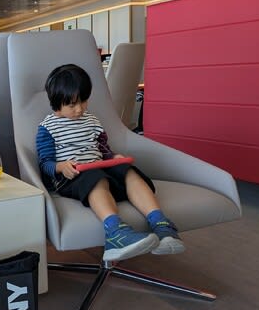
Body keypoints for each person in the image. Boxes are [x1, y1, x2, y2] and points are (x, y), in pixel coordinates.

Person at [36, 64, 185, 264]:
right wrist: (61, 167)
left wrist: (113, 157)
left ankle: (161, 224)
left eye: (83, 101)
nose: (79, 109)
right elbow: (45, 163)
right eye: (72, 105)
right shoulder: (47, 128)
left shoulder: (92, 121)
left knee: (128, 171)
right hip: (72, 178)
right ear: (56, 104)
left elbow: (103, 149)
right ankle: (115, 232)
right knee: (96, 178)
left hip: (100, 170)